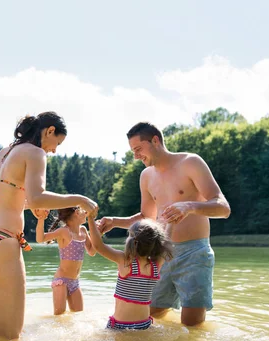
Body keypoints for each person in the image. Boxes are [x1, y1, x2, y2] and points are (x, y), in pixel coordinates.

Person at [0, 112, 98, 339]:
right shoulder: (34, 153)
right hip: (1, 242)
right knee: (9, 339)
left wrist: (26, 206)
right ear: (50, 131)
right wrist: (79, 199)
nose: (54, 150)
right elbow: (38, 197)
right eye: (57, 143)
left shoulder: (3, 153)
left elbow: (4, 197)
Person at [97, 122, 231, 326]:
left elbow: (223, 208)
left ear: (155, 141)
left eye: (138, 149)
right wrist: (115, 222)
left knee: (192, 324)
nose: (135, 156)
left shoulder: (191, 162)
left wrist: (189, 207)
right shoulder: (146, 176)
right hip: (158, 255)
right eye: (133, 151)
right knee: (152, 315)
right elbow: (146, 217)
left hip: (194, 253)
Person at [87, 214, 173, 330]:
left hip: (120, 326)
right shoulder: (155, 266)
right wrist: (171, 222)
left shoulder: (125, 261)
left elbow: (98, 246)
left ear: (131, 241)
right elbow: (167, 241)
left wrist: (91, 219)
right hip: (145, 325)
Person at [34, 207, 96, 315]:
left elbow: (91, 251)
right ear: (76, 212)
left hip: (75, 282)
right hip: (61, 280)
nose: (86, 213)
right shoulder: (64, 231)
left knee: (79, 315)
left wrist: (98, 233)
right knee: (59, 316)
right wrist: (41, 219)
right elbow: (40, 239)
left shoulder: (83, 231)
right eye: (83, 210)